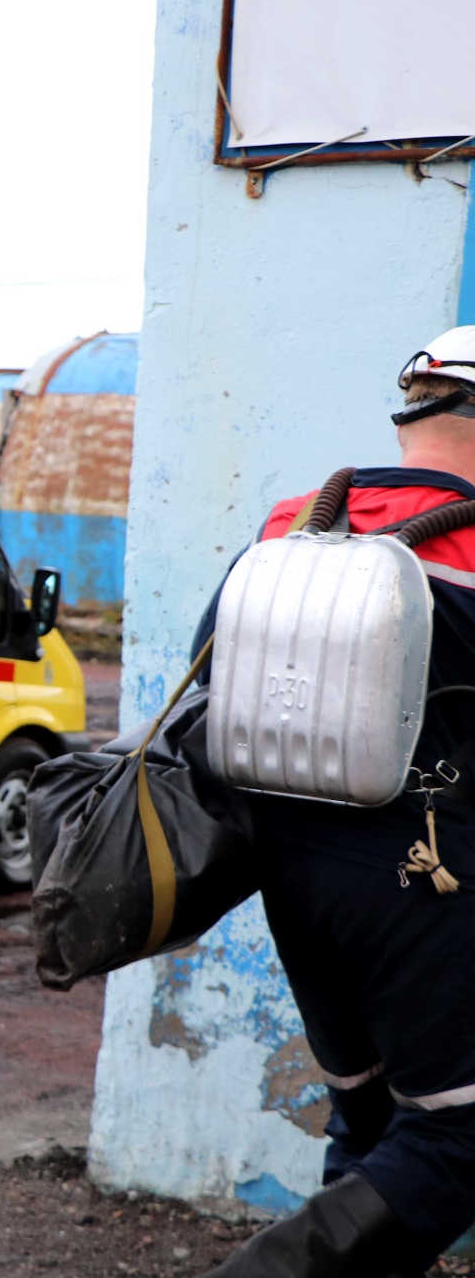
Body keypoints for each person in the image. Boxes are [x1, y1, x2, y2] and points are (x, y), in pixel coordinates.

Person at [198, 327, 475, 1278]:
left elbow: (211, 689)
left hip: (290, 878)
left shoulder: (288, 526)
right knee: (456, 1140)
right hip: (423, 880)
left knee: (372, 1121)